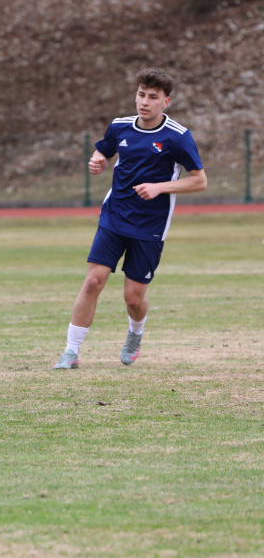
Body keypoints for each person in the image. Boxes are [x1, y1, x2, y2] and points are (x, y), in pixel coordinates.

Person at [54, 68, 207, 369]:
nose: (145, 102)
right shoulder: (119, 126)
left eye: (153, 97)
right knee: (92, 282)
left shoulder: (177, 137)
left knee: (133, 299)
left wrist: (159, 187)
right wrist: (98, 160)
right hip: (114, 217)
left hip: (150, 226)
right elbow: (104, 151)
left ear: (166, 102)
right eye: (141, 94)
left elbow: (199, 181)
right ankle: (71, 352)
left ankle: (135, 334)